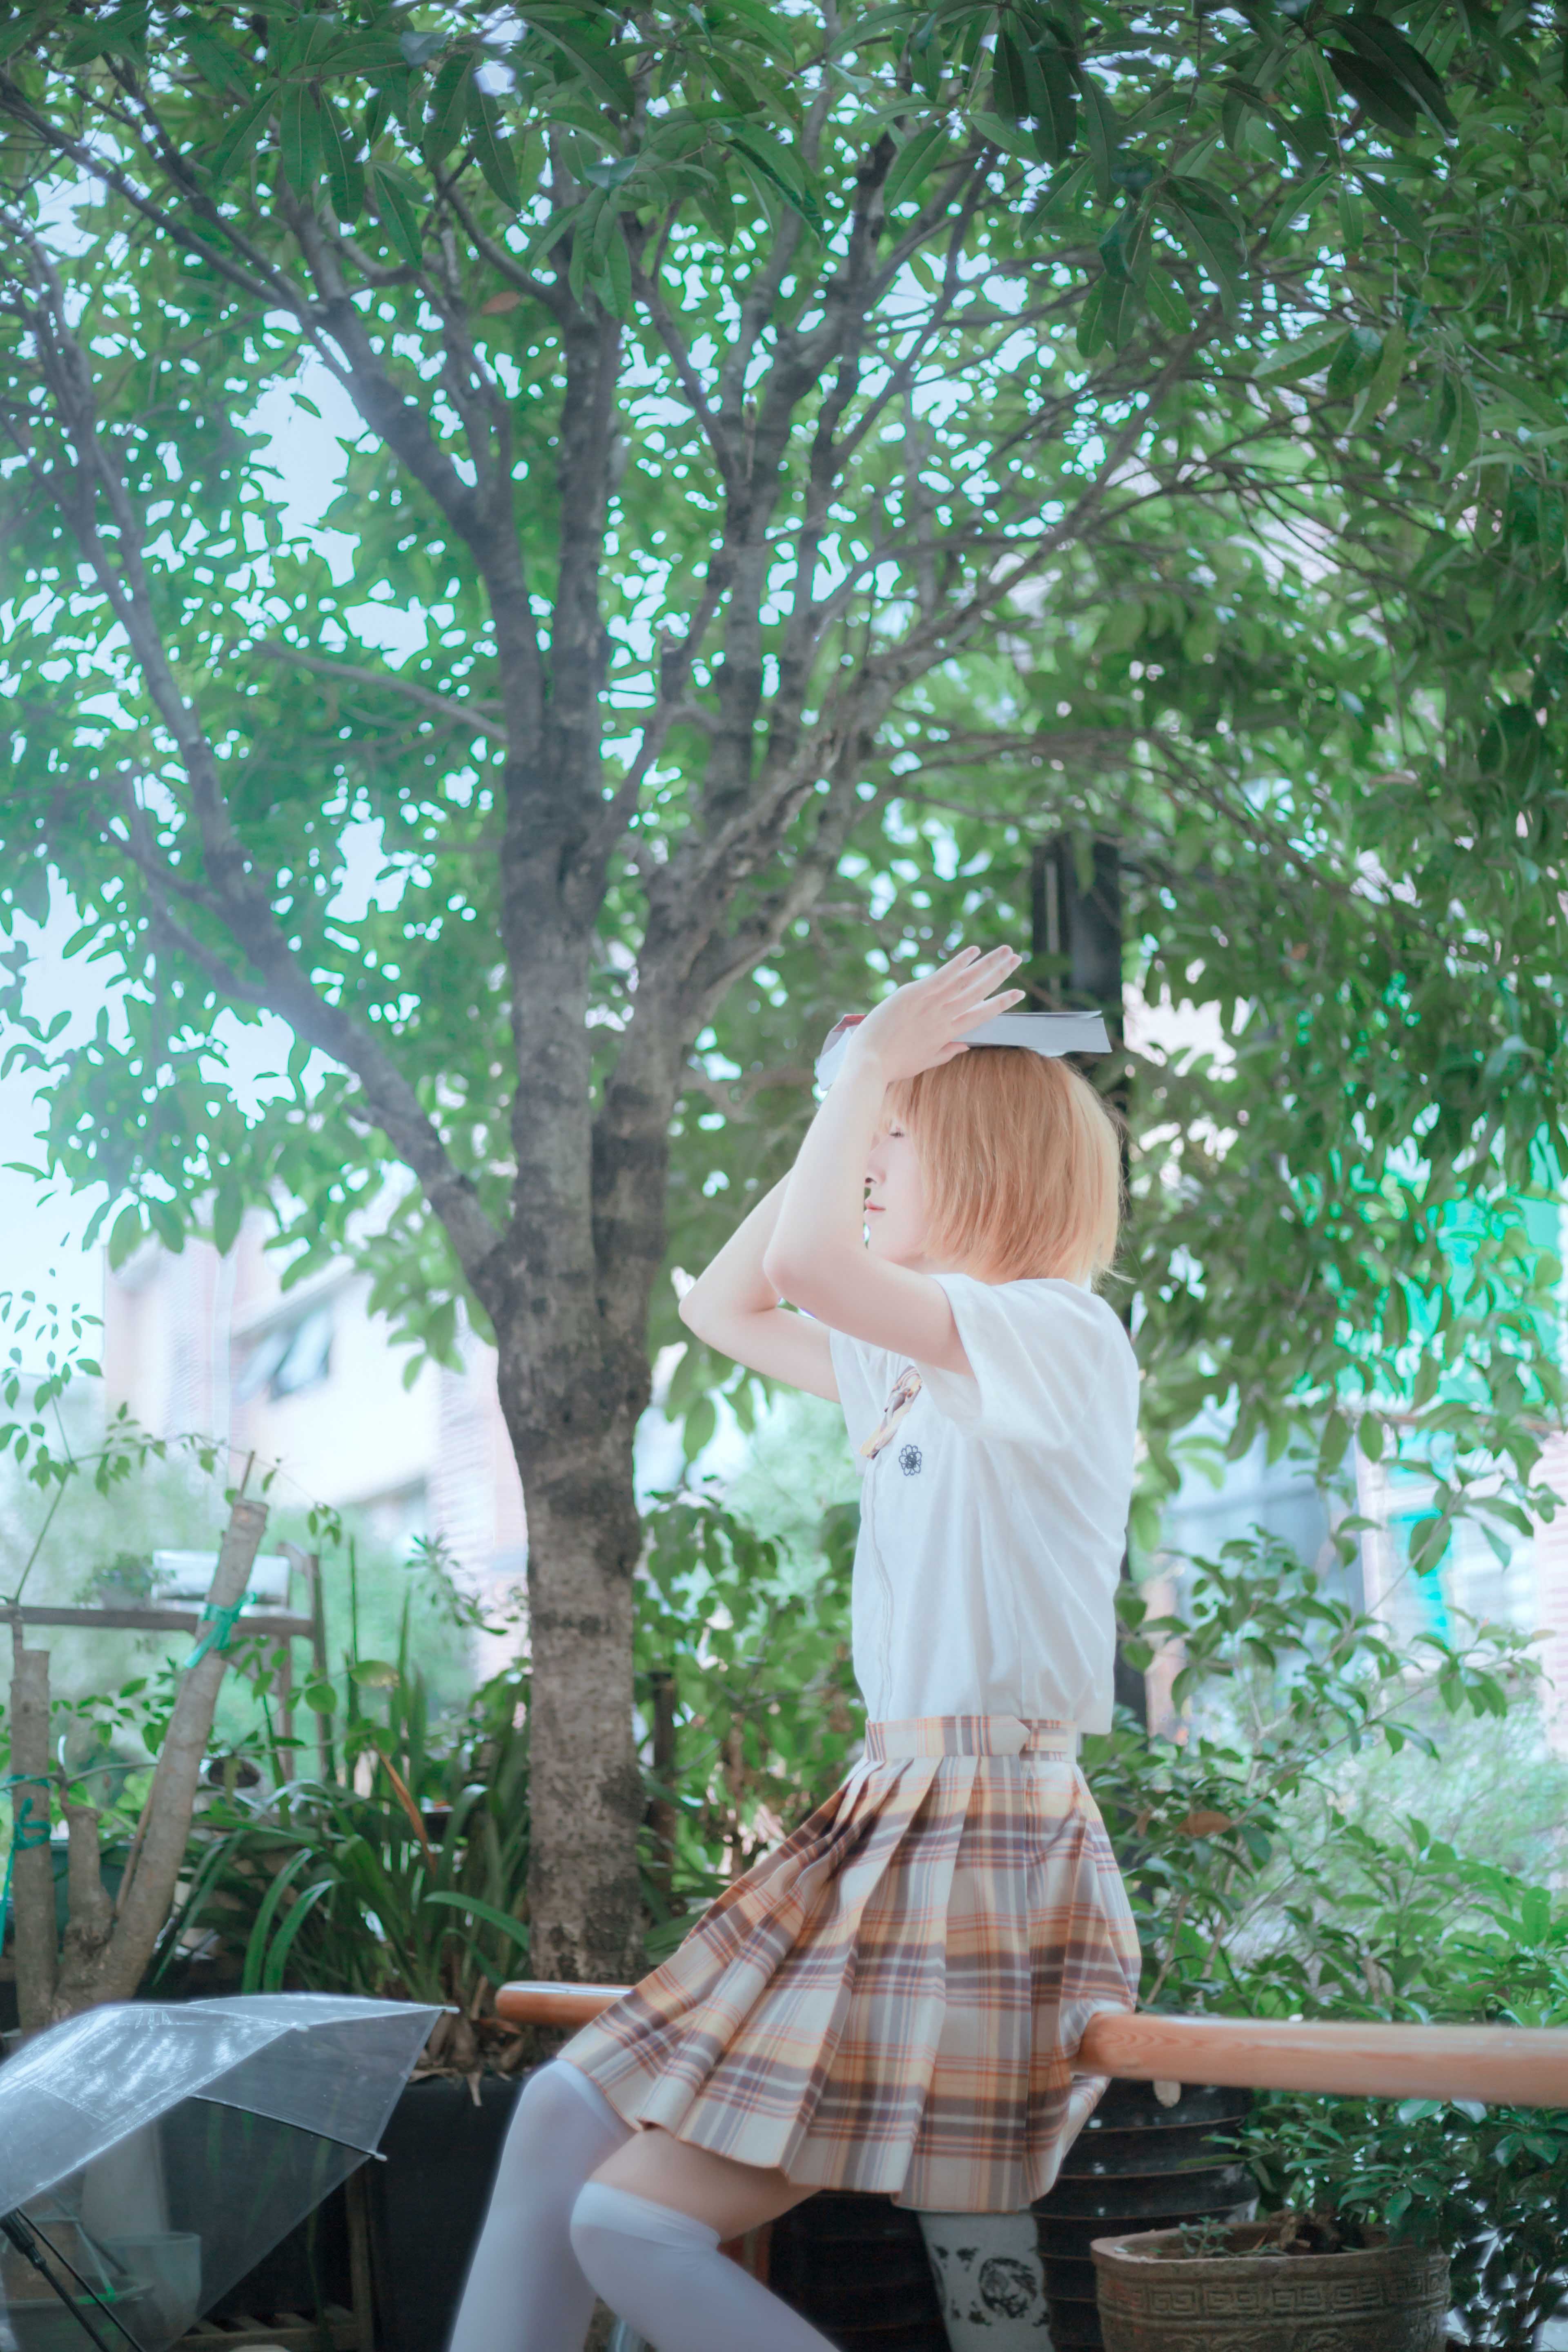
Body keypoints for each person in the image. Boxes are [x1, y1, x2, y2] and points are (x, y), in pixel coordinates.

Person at [448, 942, 1142, 2352]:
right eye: (867, 1140)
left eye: (896, 1141)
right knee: (562, 2115)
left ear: (990, 1160)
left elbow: (810, 1264)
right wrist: (853, 1085)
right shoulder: (923, 1366)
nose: (867, 1161)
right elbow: (727, 1302)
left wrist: (872, 1069)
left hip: (984, 1831)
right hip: (890, 1811)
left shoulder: (1055, 1333)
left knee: (630, 2222)